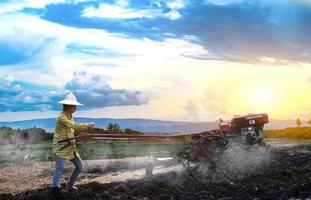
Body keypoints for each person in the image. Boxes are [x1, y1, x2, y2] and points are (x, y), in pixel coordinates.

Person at [52, 92, 95, 191]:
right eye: (74, 106)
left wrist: (80, 135)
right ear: (68, 106)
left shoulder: (70, 116)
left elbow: (72, 130)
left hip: (70, 146)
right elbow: (73, 126)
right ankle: (55, 189)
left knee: (80, 165)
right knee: (59, 167)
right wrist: (87, 125)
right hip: (60, 146)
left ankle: (70, 186)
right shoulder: (61, 117)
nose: (75, 108)